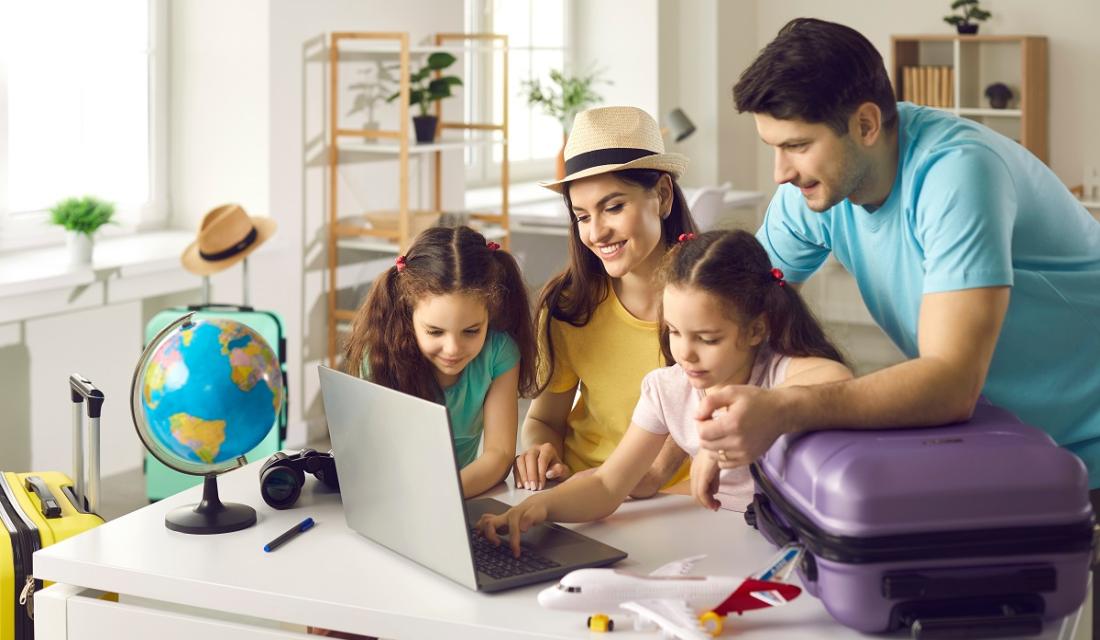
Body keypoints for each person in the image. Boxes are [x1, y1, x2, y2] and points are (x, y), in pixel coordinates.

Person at [698, 19, 1100, 492]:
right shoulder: (811, 192)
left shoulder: (957, 173)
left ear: (866, 125)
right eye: (773, 147)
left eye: (797, 146)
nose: (780, 172)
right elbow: (741, 320)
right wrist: (705, 433)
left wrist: (786, 407)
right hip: (1012, 441)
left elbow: (951, 384)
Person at [476, 229, 852, 555]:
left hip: (791, 544)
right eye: (673, 332)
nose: (685, 353)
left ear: (756, 330)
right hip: (719, 542)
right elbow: (608, 484)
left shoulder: (777, 370)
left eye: (708, 339)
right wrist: (542, 507)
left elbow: (835, 377)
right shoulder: (668, 389)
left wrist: (721, 438)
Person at [512, 106, 698, 498]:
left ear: (663, 196)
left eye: (613, 207)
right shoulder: (569, 306)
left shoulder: (717, 301)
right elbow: (544, 420)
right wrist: (541, 451)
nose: (596, 233)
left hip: (681, 502)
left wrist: (644, 480)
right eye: (582, 216)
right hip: (581, 493)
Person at [343, 225, 537, 498]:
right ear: (408, 314)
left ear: (490, 314)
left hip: (456, 499)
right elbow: (370, 454)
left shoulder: (499, 353)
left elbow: (500, 454)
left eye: (471, 331)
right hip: (388, 495)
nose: (453, 349)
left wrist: (440, 496)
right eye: (435, 332)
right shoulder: (380, 356)